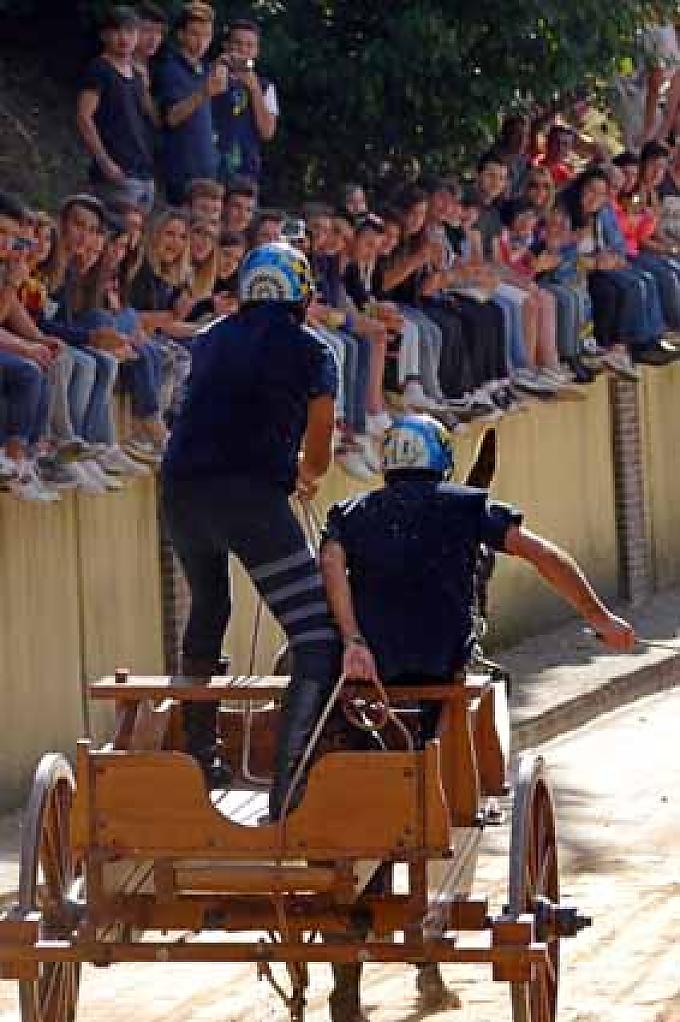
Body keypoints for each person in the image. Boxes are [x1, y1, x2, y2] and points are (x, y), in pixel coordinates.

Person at [319, 412, 636, 1021]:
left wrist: (354, 637)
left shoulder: (352, 514)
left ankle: (347, 988)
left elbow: (331, 566)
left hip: (366, 685)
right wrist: (599, 618)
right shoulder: (469, 507)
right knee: (469, 741)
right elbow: (541, 553)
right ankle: (425, 947)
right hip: (444, 685)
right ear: (439, 460)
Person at [162, 242, 341, 814]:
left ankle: (200, 760)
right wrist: (304, 475)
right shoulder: (315, 351)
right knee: (315, 634)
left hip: (182, 493)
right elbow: (318, 450)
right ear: (303, 293)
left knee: (210, 608)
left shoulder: (212, 337)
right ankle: (290, 785)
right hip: (253, 502)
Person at [76, 5, 156, 212]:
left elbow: (147, 119)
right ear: (104, 35)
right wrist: (104, 162)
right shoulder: (99, 69)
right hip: (117, 171)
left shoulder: (138, 75)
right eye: (117, 31)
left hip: (143, 171)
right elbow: (85, 117)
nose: (124, 38)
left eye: (130, 31)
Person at [152, 2, 225, 205]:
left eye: (206, 35)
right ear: (181, 35)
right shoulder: (170, 69)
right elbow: (171, 117)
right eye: (194, 34)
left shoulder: (205, 69)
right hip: (182, 172)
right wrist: (203, 93)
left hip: (208, 170)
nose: (201, 41)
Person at [212, 19, 279, 183]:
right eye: (238, 43)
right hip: (211, 166)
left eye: (250, 45)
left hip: (246, 171)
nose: (243, 50)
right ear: (226, 46)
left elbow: (267, 132)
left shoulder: (266, 86)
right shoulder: (210, 76)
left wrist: (254, 88)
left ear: (256, 50)